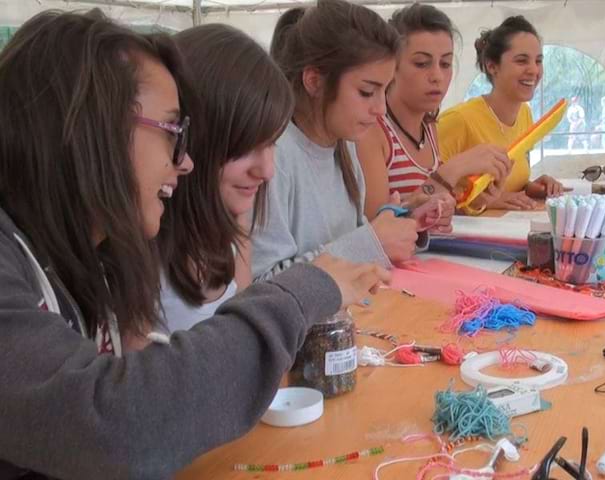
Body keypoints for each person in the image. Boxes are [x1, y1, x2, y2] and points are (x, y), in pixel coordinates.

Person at [0, 10, 387, 479]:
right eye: (172, 133)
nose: (185, 163)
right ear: (89, 129)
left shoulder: (86, 261)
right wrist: (298, 294)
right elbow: (113, 422)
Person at [252, 0, 448, 281]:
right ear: (314, 81)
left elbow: (351, 240)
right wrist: (372, 243)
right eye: (367, 92)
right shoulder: (274, 158)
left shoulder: (344, 146)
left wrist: (403, 224)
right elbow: (260, 287)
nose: (380, 108)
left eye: (385, 90)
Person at [156, 23, 294, 333]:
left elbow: (239, 338)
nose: (267, 170)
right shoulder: (138, 254)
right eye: (245, 147)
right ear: (190, 138)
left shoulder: (232, 220)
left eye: (272, 143)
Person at [356, 3, 510, 220]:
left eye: (445, 63)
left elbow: (430, 209)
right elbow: (378, 229)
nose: (437, 76)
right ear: (392, 66)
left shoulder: (429, 126)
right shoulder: (373, 130)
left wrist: (470, 199)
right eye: (421, 64)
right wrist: (452, 170)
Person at [437, 15, 564, 210]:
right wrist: (483, 202)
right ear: (492, 66)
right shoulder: (459, 120)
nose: (533, 70)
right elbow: (426, 193)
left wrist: (530, 187)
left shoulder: (524, 113)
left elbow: (508, 183)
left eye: (538, 61)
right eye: (522, 61)